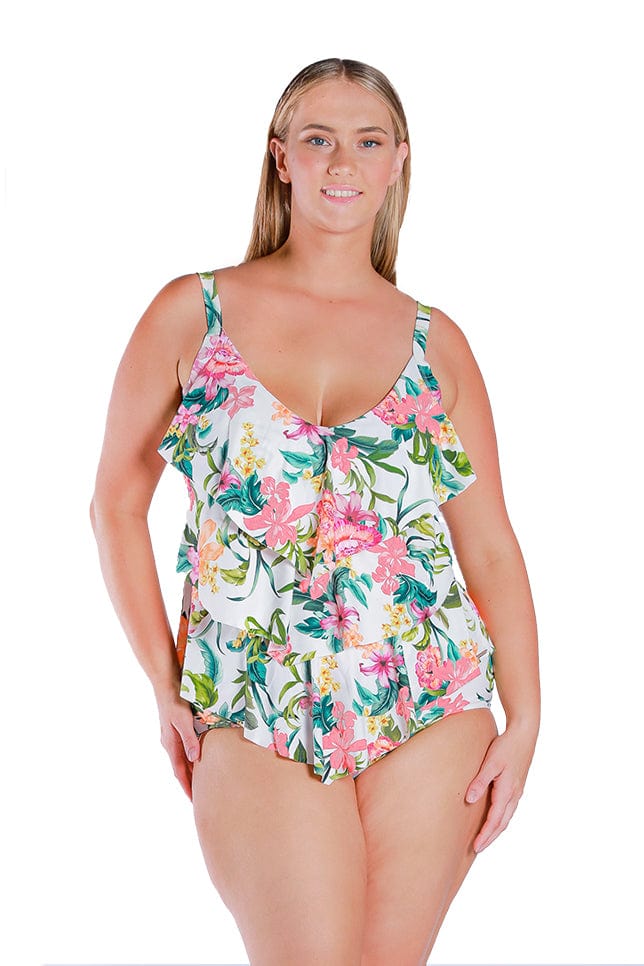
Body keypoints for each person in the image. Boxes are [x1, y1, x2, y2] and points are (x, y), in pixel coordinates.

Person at [90, 57, 540, 966]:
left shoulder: (438, 343)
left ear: (399, 160)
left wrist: (526, 719)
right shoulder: (194, 314)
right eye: (319, 138)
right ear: (281, 157)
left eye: (368, 141)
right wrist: (163, 683)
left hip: (433, 699)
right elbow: (115, 504)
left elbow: (489, 545)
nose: (343, 161)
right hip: (252, 698)